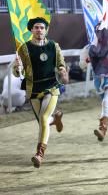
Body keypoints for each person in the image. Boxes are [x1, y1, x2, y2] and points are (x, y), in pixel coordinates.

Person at [13, 17, 68, 168]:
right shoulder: (23, 49)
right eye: (36, 27)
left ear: (46, 30)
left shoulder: (53, 46)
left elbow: (61, 63)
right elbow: (18, 73)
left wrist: (63, 70)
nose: (39, 30)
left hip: (51, 86)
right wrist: (17, 68)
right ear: (31, 30)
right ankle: (55, 120)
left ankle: (39, 154)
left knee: (43, 118)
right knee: (43, 123)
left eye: (42, 28)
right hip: (33, 88)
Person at [79, 24, 108, 142]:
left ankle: (102, 129)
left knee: (106, 102)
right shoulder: (88, 48)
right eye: (99, 31)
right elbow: (82, 65)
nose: (102, 33)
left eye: (105, 31)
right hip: (98, 80)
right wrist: (87, 60)